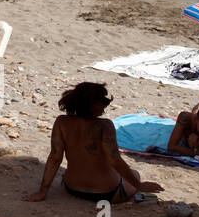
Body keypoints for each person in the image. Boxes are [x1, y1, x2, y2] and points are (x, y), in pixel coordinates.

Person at [24, 82, 163, 204]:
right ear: (93, 105)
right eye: (102, 102)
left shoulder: (61, 122)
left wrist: (42, 191)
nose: (104, 106)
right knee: (134, 173)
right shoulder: (105, 126)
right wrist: (139, 185)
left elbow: (55, 157)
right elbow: (114, 160)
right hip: (108, 193)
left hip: (72, 188)